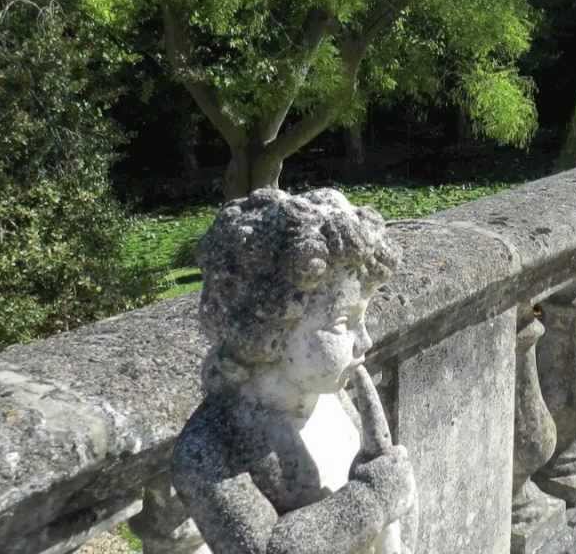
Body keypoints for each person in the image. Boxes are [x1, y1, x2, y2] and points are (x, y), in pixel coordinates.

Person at [173, 189, 415, 554]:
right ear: (269, 328)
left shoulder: (331, 400)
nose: (363, 341)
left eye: (360, 320)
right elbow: (267, 548)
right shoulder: (209, 446)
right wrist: (373, 499)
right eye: (341, 323)